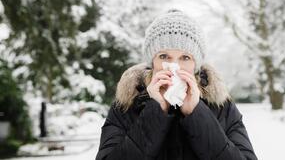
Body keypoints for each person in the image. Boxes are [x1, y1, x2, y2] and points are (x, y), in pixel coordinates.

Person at [95, 9, 257, 160]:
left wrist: (196, 113)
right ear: (152, 61)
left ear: (196, 64)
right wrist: (155, 112)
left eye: (185, 57)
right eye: (164, 56)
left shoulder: (222, 106)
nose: (174, 66)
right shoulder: (126, 105)